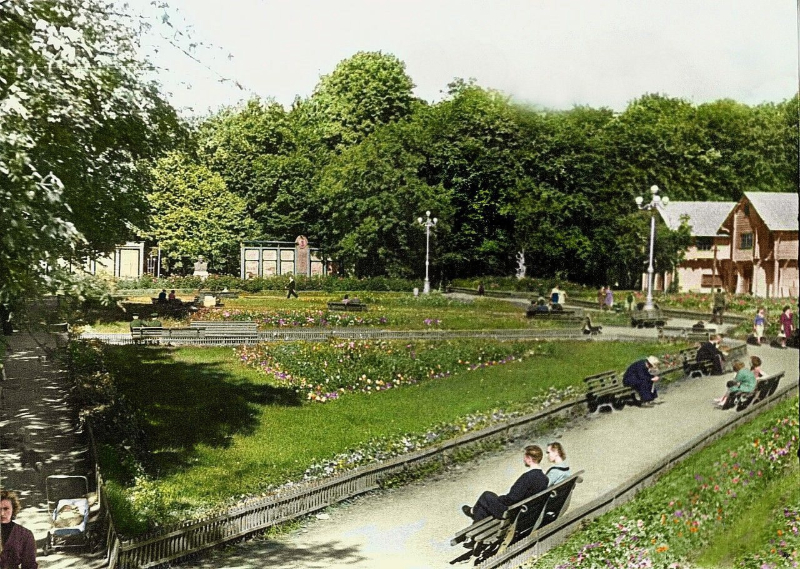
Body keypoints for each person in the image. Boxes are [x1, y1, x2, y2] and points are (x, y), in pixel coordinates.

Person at [461, 445, 548, 522]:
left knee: (486, 496)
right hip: (528, 513)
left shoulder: (527, 477)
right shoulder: (544, 479)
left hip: (514, 513)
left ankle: (472, 512)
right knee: (484, 507)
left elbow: (512, 499)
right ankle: (474, 514)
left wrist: (499, 499)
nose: (523, 459)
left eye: (524, 457)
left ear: (529, 458)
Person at [1, 490, 38, 569]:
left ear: (13, 509)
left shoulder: (25, 534)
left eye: (6, 509)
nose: (2, 513)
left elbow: (30, 565)